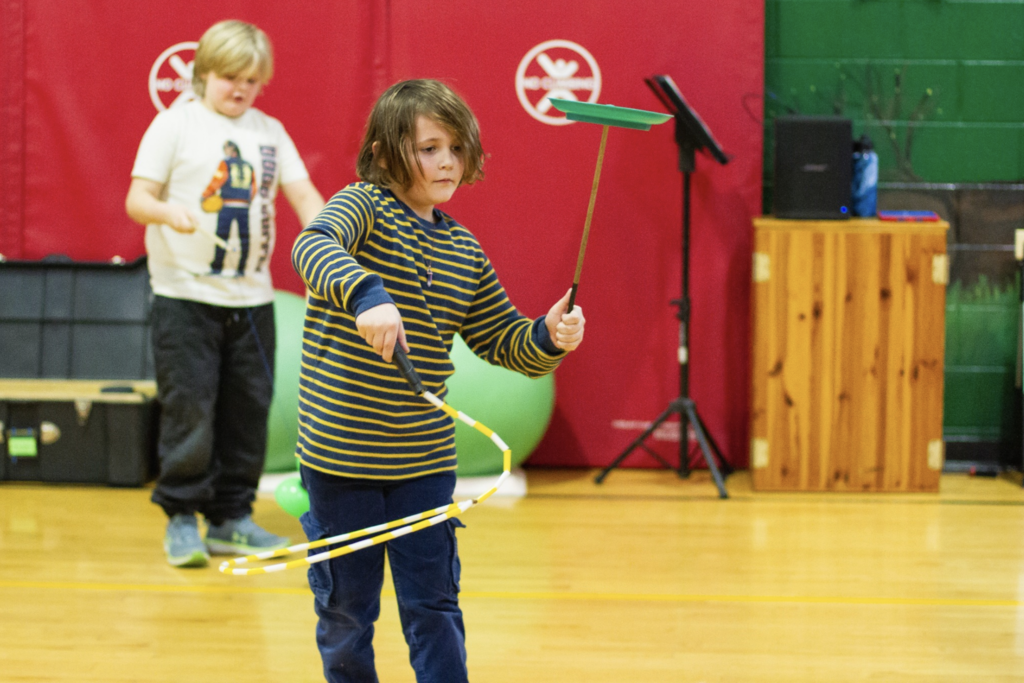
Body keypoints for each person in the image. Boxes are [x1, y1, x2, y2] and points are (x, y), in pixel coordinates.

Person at [290, 79, 585, 683]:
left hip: (423, 462)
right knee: (347, 610)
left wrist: (549, 337)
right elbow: (311, 243)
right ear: (382, 152)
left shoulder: (463, 249)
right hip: (340, 459)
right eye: (428, 148)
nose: (446, 160)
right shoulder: (360, 207)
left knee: (434, 606)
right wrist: (366, 292)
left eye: (454, 147)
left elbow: (505, 341)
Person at [125, 19, 325, 568]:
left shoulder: (269, 130)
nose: (239, 89)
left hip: (252, 301)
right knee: (190, 410)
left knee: (247, 412)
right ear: (202, 74)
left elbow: (303, 192)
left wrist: (328, 237)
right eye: (228, 78)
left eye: (251, 80)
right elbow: (138, 199)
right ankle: (182, 519)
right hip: (184, 298)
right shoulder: (175, 126)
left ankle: (232, 517)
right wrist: (170, 212)